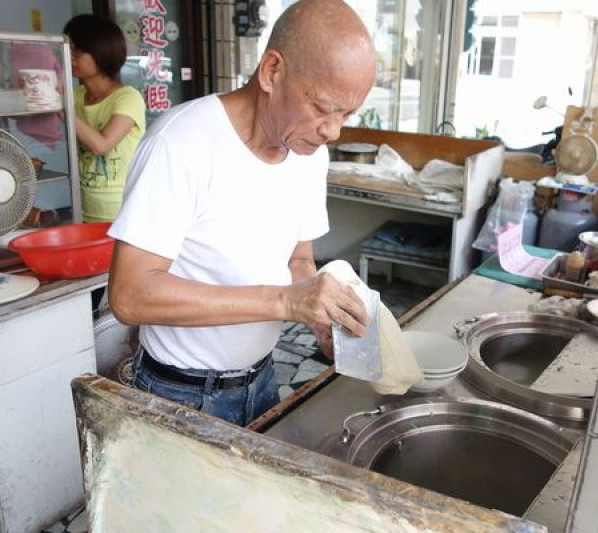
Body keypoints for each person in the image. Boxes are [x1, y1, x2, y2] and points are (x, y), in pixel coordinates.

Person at [107, 0, 376, 426]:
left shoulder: (308, 153)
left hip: (262, 380)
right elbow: (129, 295)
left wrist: (321, 320)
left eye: (347, 113)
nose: (334, 130)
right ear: (272, 71)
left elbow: (297, 260)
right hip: (180, 393)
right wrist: (287, 302)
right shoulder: (181, 144)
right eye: (323, 107)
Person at [64, 14, 146, 222]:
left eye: (77, 51)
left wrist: (61, 107)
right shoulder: (75, 97)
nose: (70, 57)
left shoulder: (128, 98)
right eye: (68, 50)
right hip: (81, 206)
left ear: (101, 53)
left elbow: (102, 145)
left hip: (122, 212)